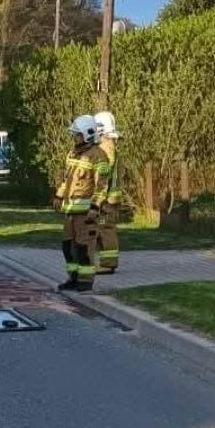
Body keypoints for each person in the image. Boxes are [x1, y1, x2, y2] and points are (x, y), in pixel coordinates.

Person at [53, 114, 110, 292]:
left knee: (83, 248)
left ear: (88, 134)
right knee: (67, 247)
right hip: (70, 210)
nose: (74, 138)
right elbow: (67, 180)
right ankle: (73, 278)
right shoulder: (72, 154)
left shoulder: (99, 156)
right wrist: (59, 195)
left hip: (85, 213)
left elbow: (102, 185)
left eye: (77, 134)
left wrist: (95, 206)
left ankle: (85, 282)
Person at [93, 110, 121, 275]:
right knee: (102, 229)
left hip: (106, 199)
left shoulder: (105, 148)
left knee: (105, 230)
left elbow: (102, 174)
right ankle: (105, 262)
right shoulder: (108, 146)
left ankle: (108, 263)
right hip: (109, 197)